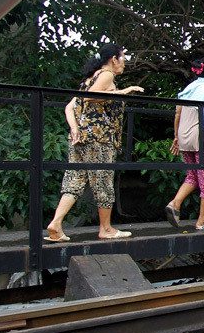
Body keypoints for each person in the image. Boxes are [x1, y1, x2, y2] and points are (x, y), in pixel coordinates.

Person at [45, 44, 144, 242]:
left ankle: (56, 224)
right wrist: (124, 91)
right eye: (123, 58)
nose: (124, 62)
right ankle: (106, 229)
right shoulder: (106, 75)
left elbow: (69, 107)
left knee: (75, 180)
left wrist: (74, 128)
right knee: (103, 181)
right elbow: (92, 97)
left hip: (80, 137)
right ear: (114, 59)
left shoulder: (89, 79)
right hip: (100, 137)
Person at [165, 56, 204, 230]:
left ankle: (175, 203)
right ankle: (202, 221)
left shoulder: (189, 88)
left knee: (193, 176)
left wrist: (176, 137)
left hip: (185, 138)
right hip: (203, 140)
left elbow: (178, 113)